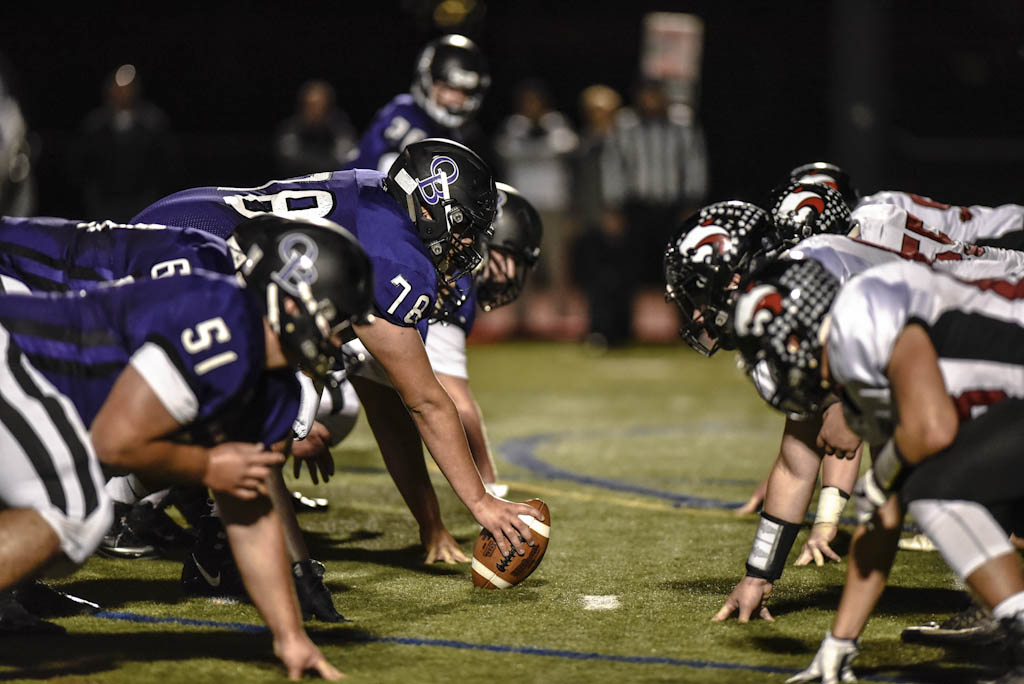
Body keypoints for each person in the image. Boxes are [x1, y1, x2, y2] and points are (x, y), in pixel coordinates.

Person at [131, 138, 544, 567]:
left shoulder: (379, 199)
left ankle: (202, 526)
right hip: (193, 253)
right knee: (263, 406)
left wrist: (431, 525)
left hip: (189, 227)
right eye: (463, 228)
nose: (466, 246)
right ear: (429, 207)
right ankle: (136, 512)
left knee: (295, 401)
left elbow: (390, 402)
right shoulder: (397, 255)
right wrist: (480, 502)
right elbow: (426, 402)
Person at [0, 213, 368, 679]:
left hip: (33, 385)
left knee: (66, 515)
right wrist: (209, 463)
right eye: (337, 320)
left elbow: (249, 511)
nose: (342, 340)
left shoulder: (271, 385)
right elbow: (114, 443)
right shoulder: (224, 319)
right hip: (16, 357)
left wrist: (289, 637)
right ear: (293, 304)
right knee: (71, 510)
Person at [732, 257, 1024, 684]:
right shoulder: (861, 370)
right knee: (927, 484)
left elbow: (933, 430)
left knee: (932, 488)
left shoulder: (859, 317)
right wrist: (839, 643)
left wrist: (882, 475)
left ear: (796, 337)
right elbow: (880, 520)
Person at [605, 77, 708, 340]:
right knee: (625, 272)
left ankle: (689, 330)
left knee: (679, 270)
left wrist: (692, 203)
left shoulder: (682, 123)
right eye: (645, 95)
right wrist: (614, 205)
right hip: (637, 207)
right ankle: (618, 333)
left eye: (654, 94)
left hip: (672, 208)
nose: (650, 100)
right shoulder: (625, 125)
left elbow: (695, 163)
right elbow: (614, 165)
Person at [493, 78, 578, 323]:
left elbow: (567, 147)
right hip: (523, 207)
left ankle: (562, 320)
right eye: (526, 101)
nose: (531, 105)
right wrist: (539, 148)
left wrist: (534, 146)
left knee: (558, 264)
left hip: (553, 205)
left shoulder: (556, 124)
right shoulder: (514, 126)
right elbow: (506, 152)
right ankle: (521, 320)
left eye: (535, 101)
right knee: (521, 263)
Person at [344, 34, 489, 173]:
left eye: (465, 92)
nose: (456, 99)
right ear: (428, 82)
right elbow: (387, 173)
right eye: (448, 89)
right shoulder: (405, 114)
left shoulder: (454, 135)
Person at [70, 64, 181, 222]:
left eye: (127, 88)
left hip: (144, 203)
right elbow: (80, 164)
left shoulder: (153, 123)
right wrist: (92, 196)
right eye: (118, 89)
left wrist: (154, 194)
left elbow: (168, 163)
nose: (122, 93)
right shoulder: (94, 125)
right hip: (104, 205)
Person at [571, 84, 630, 347]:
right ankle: (599, 329)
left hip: (615, 216)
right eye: (593, 110)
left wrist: (616, 210)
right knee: (594, 278)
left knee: (618, 277)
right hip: (590, 217)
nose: (597, 116)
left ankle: (621, 330)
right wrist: (577, 215)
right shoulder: (585, 141)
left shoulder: (624, 141)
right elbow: (578, 182)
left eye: (603, 110)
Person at [275, 79, 357, 177]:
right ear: (302, 106)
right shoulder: (290, 129)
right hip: (296, 185)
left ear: (328, 106)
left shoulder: (341, 129)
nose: (315, 111)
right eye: (311, 106)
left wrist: (310, 161)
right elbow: (289, 161)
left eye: (320, 106)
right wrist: (326, 164)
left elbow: (346, 161)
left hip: (332, 186)